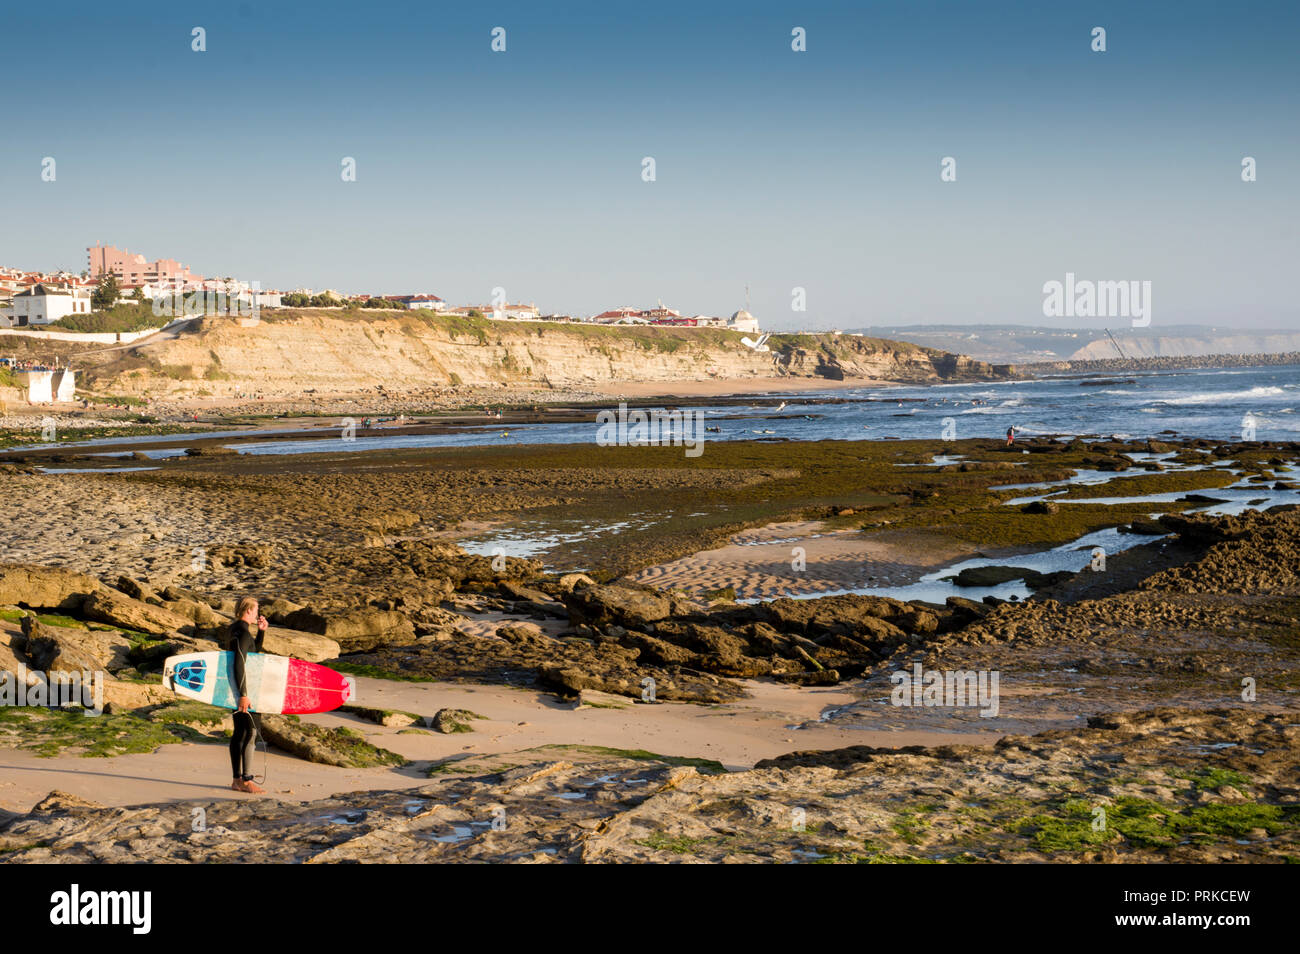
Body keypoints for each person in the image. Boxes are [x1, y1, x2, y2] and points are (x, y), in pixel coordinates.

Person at [228, 596, 268, 793]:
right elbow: (240, 664)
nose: (258, 614)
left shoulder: (236, 630)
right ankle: (247, 780)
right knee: (251, 732)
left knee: (239, 733)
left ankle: (237, 780)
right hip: (245, 691)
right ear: (249, 610)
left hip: (232, 689)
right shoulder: (243, 635)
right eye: (257, 610)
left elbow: (252, 655)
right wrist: (244, 694)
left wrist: (261, 633)